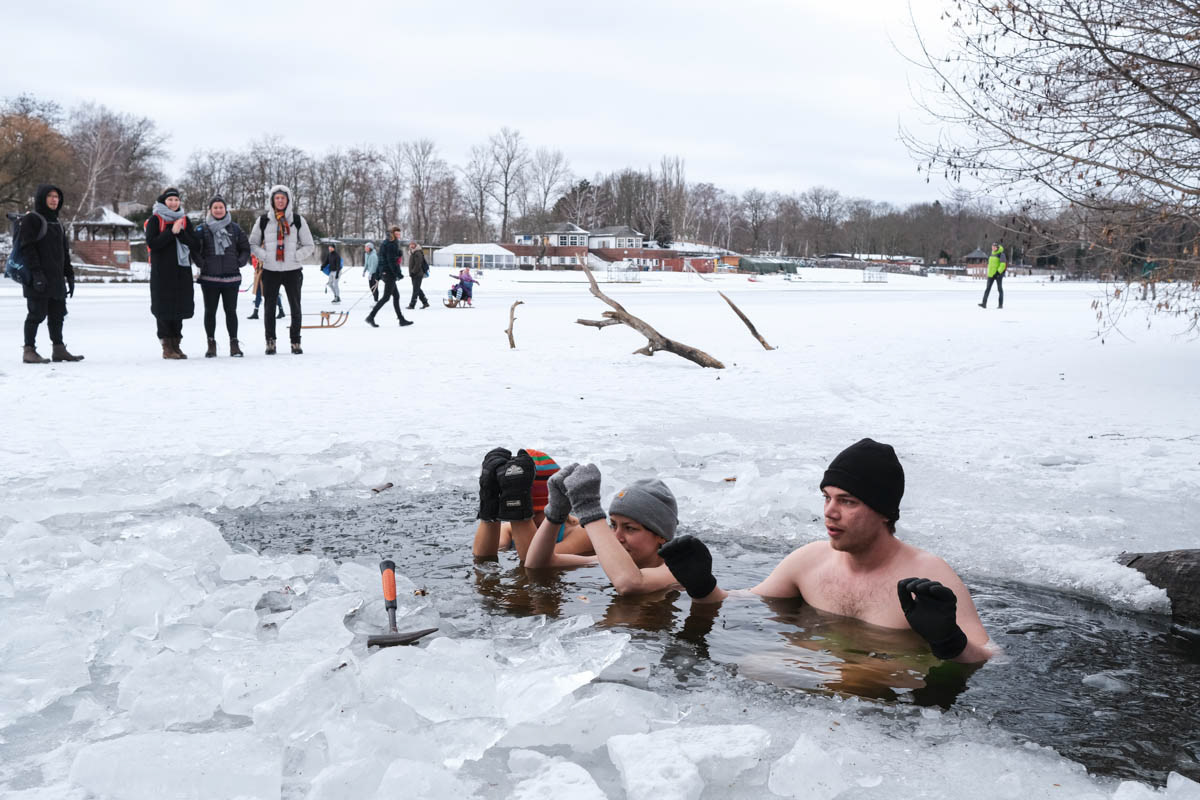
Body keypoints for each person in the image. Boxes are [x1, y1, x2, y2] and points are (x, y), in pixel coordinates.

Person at [658, 438, 995, 664]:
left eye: (847, 501)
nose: (830, 512)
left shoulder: (928, 575)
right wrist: (702, 587)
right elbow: (743, 603)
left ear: (884, 512)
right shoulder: (810, 560)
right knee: (755, 666)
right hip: (817, 687)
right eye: (827, 497)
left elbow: (990, 654)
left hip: (885, 700)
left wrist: (949, 641)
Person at [478, 452, 682, 597]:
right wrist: (555, 514)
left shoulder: (677, 569)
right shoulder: (602, 560)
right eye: (613, 525)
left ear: (661, 534)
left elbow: (630, 583)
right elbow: (536, 564)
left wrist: (589, 509)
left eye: (630, 528)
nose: (617, 537)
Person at [472, 448, 591, 561]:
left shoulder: (584, 532)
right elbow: (483, 560)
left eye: (536, 513)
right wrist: (489, 505)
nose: (531, 521)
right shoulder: (508, 530)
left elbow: (537, 562)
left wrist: (519, 512)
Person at [18, 184, 83, 364]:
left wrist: (69, 276)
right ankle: (29, 350)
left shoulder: (57, 222)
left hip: (56, 279)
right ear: (42, 198)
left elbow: (64, 252)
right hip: (37, 278)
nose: (55, 200)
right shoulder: (33, 219)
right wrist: (36, 274)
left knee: (57, 315)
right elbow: (27, 248)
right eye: (51, 196)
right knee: (36, 315)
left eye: (57, 197)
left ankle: (59, 349)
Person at [248, 185, 314, 355]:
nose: (280, 201)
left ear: (288, 200)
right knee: (269, 307)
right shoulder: (263, 220)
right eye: (277, 198)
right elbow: (253, 243)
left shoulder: (298, 220)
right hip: (270, 270)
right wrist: (265, 255)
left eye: (283, 198)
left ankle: (295, 341)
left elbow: (309, 245)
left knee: (295, 307)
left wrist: (296, 256)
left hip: (293, 270)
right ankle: (270, 341)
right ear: (272, 200)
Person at [146, 188, 201, 359]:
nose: (173, 203)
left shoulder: (184, 220)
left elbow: (195, 244)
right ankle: (167, 347)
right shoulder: (156, 219)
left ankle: (176, 344)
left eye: (176, 200)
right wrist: (171, 232)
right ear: (163, 202)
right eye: (170, 200)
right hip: (162, 273)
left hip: (181, 271)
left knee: (179, 309)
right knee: (163, 309)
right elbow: (153, 243)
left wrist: (181, 233)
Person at [195, 196, 251, 358]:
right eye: (215, 208)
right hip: (209, 279)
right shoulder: (202, 229)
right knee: (210, 312)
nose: (218, 210)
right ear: (210, 210)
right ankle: (211, 343)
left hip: (231, 278)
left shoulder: (235, 228)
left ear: (225, 209)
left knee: (231, 311)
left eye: (221, 207)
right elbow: (194, 249)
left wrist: (239, 262)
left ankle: (234, 343)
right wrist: (202, 264)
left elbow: (245, 248)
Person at [365, 226, 412, 328]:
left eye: (400, 234)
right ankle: (371, 316)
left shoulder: (387, 242)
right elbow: (391, 261)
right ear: (393, 234)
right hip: (388, 273)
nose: (399, 236)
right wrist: (398, 273)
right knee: (386, 297)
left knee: (396, 296)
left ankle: (401, 319)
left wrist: (397, 255)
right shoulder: (391, 244)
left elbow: (383, 257)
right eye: (397, 234)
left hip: (386, 272)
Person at [247, 255, 285, 320]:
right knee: (258, 292)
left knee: (273, 292)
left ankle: (281, 310)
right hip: (259, 274)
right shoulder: (254, 253)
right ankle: (256, 312)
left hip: (266, 274)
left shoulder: (262, 249)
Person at [978, 243, 1006, 309]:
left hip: (998, 274)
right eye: (992, 247)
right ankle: (984, 304)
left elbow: (1003, 265)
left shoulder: (1001, 254)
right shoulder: (992, 253)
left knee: (999, 289)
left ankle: (1000, 305)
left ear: (997, 247)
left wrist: (998, 273)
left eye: (994, 247)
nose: (993, 248)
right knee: (987, 289)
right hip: (991, 274)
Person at [406, 240, 430, 309]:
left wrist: (413, 272)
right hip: (414, 274)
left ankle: (412, 305)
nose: (412, 245)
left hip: (417, 274)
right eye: (411, 244)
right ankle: (425, 302)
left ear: (416, 245)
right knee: (417, 289)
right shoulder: (412, 252)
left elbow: (418, 264)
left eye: (413, 244)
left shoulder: (418, 252)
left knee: (415, 290)